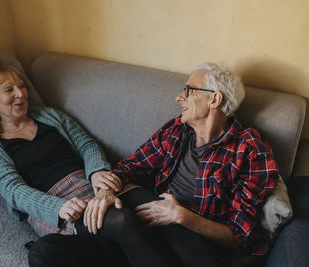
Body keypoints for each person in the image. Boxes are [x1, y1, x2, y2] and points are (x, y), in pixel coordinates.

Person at [29, 63, 280, 267]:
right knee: (44, 251)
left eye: (188, 90)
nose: (179, 97)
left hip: (189, 243)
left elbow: (241, 238)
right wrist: (106, 191)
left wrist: (181, 217)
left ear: (214, 99)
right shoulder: (176, 130)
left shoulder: (250, 150)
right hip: (145, 232)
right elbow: (130, 167)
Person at [0, 64, 129, 266]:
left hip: (86, 186)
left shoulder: (51, 116)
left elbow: (87, 145)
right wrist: (58, 207)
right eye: (9, 90)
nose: (21, 94)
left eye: (22, 86)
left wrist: (97, 171)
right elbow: (13, 190)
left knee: (115, 223)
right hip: (50, 206)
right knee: (55, 249)